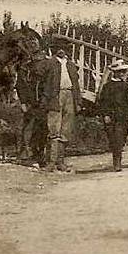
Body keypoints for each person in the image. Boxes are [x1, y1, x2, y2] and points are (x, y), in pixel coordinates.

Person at [41, 40, 81, 173]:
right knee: (54, 129)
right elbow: (42, 83)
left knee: (66, 129)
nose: (61, 50)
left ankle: (61, 161)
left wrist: (78, 101)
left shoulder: (71, 65)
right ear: (54, 49)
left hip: (69, 95)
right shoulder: (49, 63)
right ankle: (51, 162)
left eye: (63, 48)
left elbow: (76, 84)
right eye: (58, 48)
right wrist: (45, 99)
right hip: (55, 96)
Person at [98, 60, 128, 172]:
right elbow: (103, 102)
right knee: (112, 138)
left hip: (123, 117)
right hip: (111, 117)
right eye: (121, 71)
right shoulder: (107, 87)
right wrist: (106, 115)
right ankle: (116, 159)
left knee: (120, 138)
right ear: (115, 73)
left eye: (124, 71)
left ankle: (118, 161)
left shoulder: (126, 87)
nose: (123, 73)